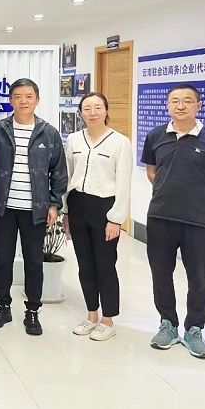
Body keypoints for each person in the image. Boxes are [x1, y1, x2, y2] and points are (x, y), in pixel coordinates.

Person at [142, 83, 205, 359]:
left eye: (188, 101)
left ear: (198, 106)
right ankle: (168, 324)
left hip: (198, 222)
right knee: (160, 274)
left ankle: (194, 329)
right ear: (167, 105)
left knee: (200, 277)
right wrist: (168, 193)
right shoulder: (156, 136)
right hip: (160, 218)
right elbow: (152, 171)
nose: (181, 105)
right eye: (175, 101)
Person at [0, 78, 67, 336]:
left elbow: (59, 172)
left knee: (34, 262)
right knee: (3, 260)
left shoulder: (49, 133)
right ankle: (3, 306)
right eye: (18, 96)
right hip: (4, 208)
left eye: (28, 96)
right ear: (11, 100)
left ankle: (32, 310)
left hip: (36, 210)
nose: (23, 101)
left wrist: (54, 204)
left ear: (37, 100)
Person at [63, 92, 132, 341]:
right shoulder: (74, 139)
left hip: (105, 208)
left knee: (105, 265)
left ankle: (108, 319)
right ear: (81, 112)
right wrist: (66, 211)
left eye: (98, 107)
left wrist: (116, 219)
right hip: (77, 205)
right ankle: (92, 315)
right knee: (84, 264)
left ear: (106, 110)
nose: (92, 113)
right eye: (87, 108)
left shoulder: (120, 142)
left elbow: (123, 184)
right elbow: (68, 175)